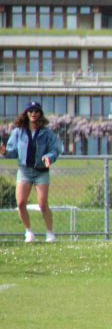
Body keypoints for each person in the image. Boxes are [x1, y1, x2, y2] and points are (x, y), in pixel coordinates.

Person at [1, 101, 63, 242]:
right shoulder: (18, 132)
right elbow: (12, 151)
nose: (33, 114)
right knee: (21, 203)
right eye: (31, 111)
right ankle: (29, 232)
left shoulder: (47, 133)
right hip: (25, 171)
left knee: (42, 203)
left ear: (40, 113)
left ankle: (50, 233)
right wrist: (4, 152)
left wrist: (48, 157)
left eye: (36, 111)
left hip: (41, 171)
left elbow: (54, 149)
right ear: (26, 113)